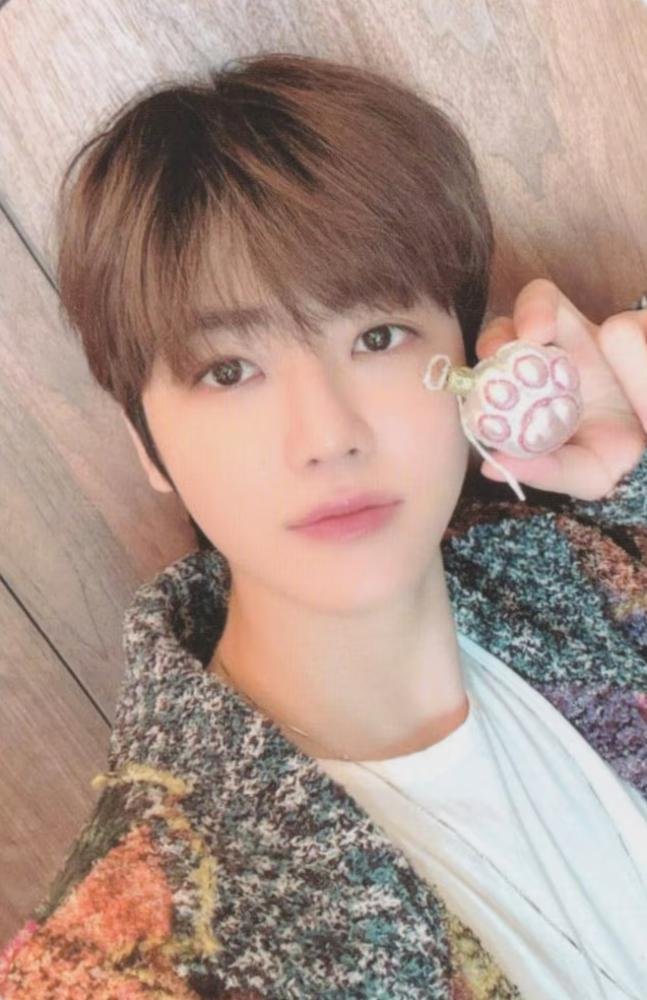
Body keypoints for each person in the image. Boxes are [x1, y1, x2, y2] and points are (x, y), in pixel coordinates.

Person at [1, 51, 645, 1000]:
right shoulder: (127, 957)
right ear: (147, 444)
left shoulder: (577, 567)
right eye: (228, 371)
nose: (327, 436)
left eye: (376, 337)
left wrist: (633, 471)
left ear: (470, 363)